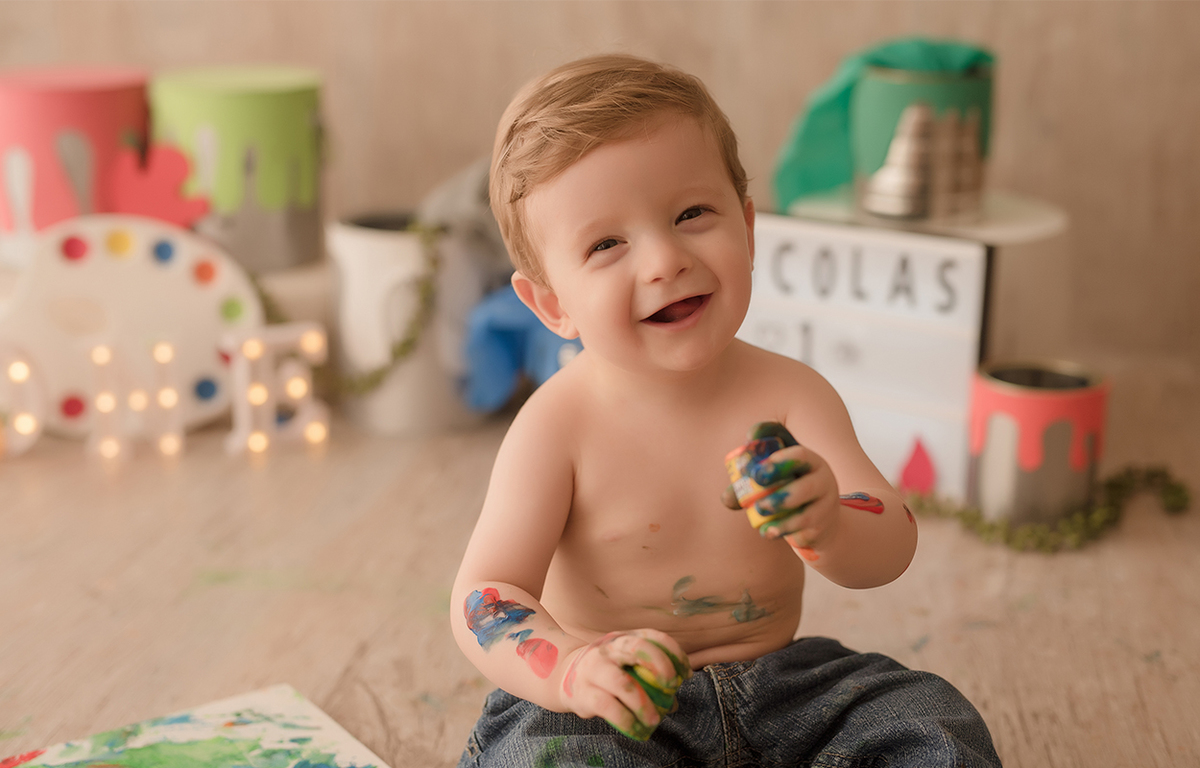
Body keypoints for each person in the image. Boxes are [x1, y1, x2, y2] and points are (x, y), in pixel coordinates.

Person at [451, 53, 1001, 768]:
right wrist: (567, 669)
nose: (663, 260)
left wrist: (831, 519)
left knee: (934, 722)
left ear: (747, 226)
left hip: (788, 685)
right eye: (607, 244)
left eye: (690, 214)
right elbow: (487, 592)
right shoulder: (557, 426)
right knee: (544, 756)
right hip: (613, 702)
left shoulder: (791, 394)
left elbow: (890, 543)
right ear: (552, 304)